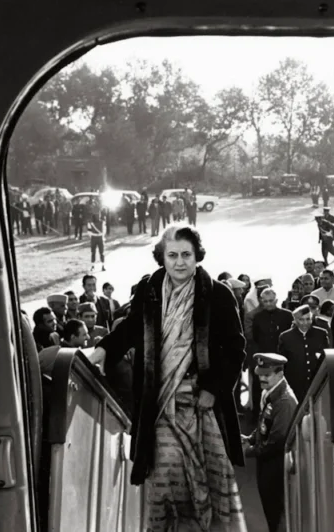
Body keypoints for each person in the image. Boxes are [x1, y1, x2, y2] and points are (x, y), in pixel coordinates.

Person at [91, 226, 247, 531]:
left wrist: (214, 389)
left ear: (197, 255)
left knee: (204, 479)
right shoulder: (149, 291)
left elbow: (235, 349)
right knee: (166, 475)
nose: (179, 262)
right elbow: (131, 329)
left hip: (202, 405)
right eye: (172, 255)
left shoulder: (217, 294)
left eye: (186, 255)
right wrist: (103, 349)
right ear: (161, 257)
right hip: (159, 404)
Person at [241, 353, 298, 532]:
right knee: (271, 513)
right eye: (260, 375)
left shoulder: (284, 401)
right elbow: (265, 424)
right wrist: (250, 438)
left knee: (276, 514)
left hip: (276, 466)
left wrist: (250, 450)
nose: (262, 379)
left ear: (280, 374)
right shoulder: (271, 394)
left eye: (267, 375)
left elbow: (277, 441)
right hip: (268, 465)